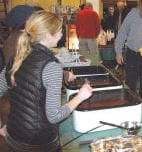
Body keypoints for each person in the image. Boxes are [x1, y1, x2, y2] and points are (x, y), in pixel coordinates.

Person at [0, 11, 92, 151]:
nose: (61, 34)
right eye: (60, 31)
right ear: (48, 35)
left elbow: (32, 76)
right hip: (40, 143)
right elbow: (54, 116)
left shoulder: (17, 57)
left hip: (14, 136)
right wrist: (80, 96)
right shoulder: (51, 65)